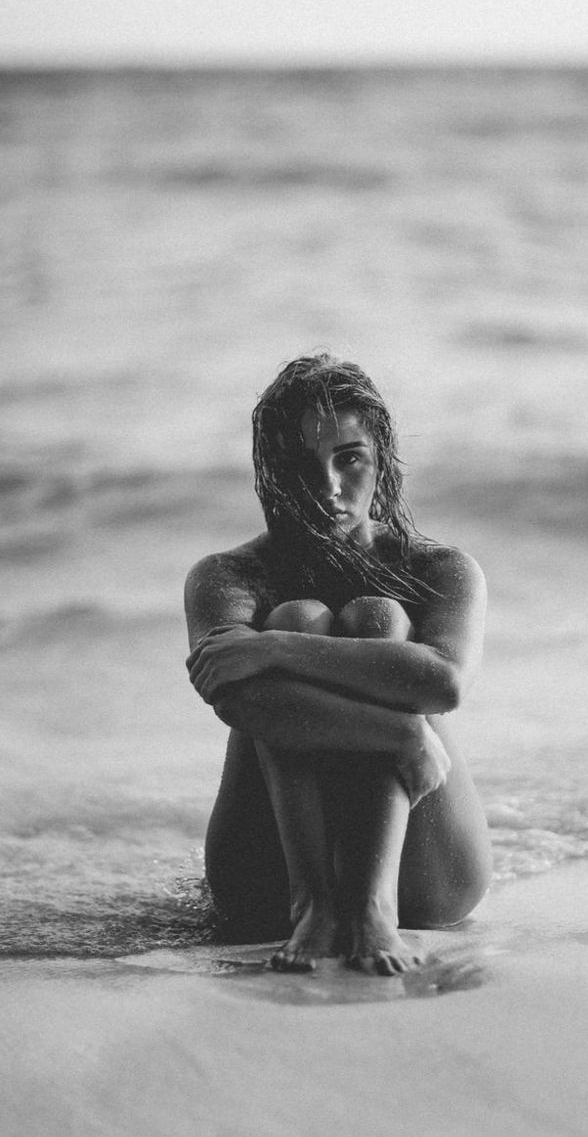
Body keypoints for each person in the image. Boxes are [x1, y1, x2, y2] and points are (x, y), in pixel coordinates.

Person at [185, 354, 492, 976]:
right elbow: (237, 699)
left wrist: (274, 649)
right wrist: (397, 732)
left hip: (428, 876)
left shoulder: (438, 568)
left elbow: (443, 681)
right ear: (273, 473)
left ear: (381, 459)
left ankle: (372, 906)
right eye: (303, 465)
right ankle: (316, 905)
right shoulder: (230, 575)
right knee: (296, 613)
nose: (328, 486)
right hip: (264, 883)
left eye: (349, 458)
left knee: (377, 619)